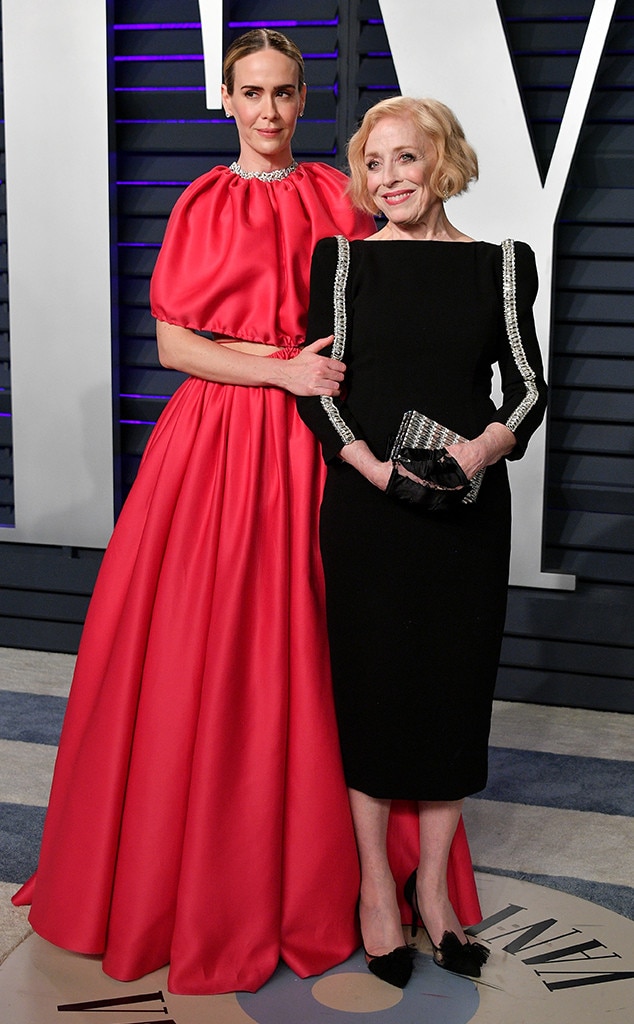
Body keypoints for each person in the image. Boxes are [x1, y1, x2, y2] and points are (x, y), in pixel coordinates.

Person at [12, 37, 481, 995]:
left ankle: (365, 882)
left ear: (306, 99)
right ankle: (213, 880)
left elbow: (392, 298)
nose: (267, 112)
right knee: (214, 649)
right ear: (225, 101)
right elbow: (176, 345)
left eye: (283, 94)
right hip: (224, 443)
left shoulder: (336, 195)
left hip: (327, 442)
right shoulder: (204, 200)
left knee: (340, 648)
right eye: (250, 95)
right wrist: (281, 369)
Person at [297, 95, 548, 989]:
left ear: (442, 162)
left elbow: (526, 387)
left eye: (405, 159)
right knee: (370, 694)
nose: (388, 179)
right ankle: (376, 894)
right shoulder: (342, 261)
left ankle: (433, 898)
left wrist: (477, 452)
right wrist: (371, 470)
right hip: (368, 508)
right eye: (373, 163)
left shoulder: (503, 265)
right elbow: (316, 386)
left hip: (467, 512)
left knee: (449, 695)